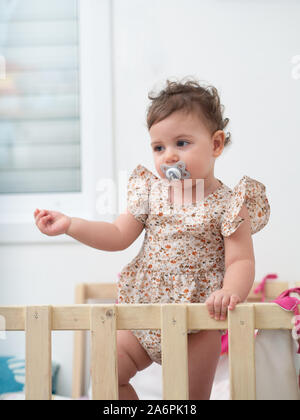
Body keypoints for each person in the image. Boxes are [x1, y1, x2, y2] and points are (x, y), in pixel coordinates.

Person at [34, 78, 270, 400]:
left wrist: (230, 292)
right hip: (144, 309)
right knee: (105, 371)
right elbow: (117, 235)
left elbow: (241, 260)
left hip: (198, 318)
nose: (168, 156)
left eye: (182, 143)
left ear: (215, 144)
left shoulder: (230, 204)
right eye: (159, 147)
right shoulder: (150, 193)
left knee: (187, 399)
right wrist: (70, 224)